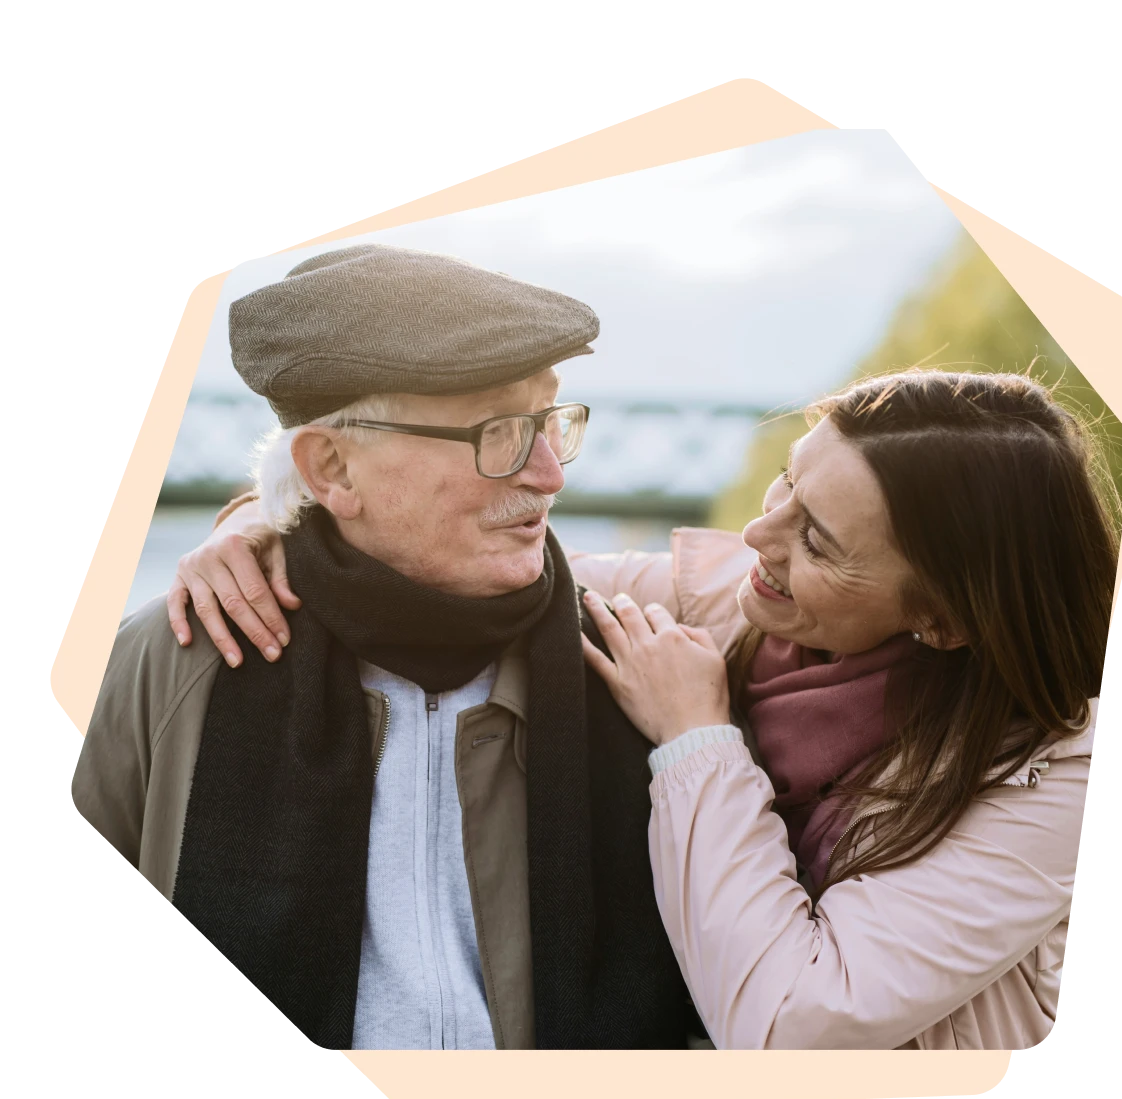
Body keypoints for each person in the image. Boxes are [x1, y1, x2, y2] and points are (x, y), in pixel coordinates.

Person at [175, 370, 1113, 1049]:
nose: (758, 533)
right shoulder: (721, 602)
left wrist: (697, 738)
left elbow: (790, 1020)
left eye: (819, 541)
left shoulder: (1051, 777)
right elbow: (449, 568)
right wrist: (267, 528)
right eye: (789, 480)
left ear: (944, 620)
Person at [70, 242, 697, 1054]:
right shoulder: (172, 661)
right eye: (500, 430)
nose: (550, 475)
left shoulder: (638, 661)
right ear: (332, 467)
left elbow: (836, 568)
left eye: (549, 421)